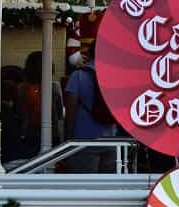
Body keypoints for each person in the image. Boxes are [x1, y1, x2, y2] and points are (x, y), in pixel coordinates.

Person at [64, 41, 117, 172]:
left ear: (89, 53)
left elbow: (70, 107)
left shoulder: (78, 75)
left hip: (84, 139)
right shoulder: (114, 77)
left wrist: (68, 133)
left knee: (85, 187)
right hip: (112, 138)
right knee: (109, 187)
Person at [17, 51, 63, 157]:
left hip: (28, 133)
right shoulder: (55, 87)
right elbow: (60, 113)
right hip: (52, 134)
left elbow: (19, 111)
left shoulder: (22, 88)